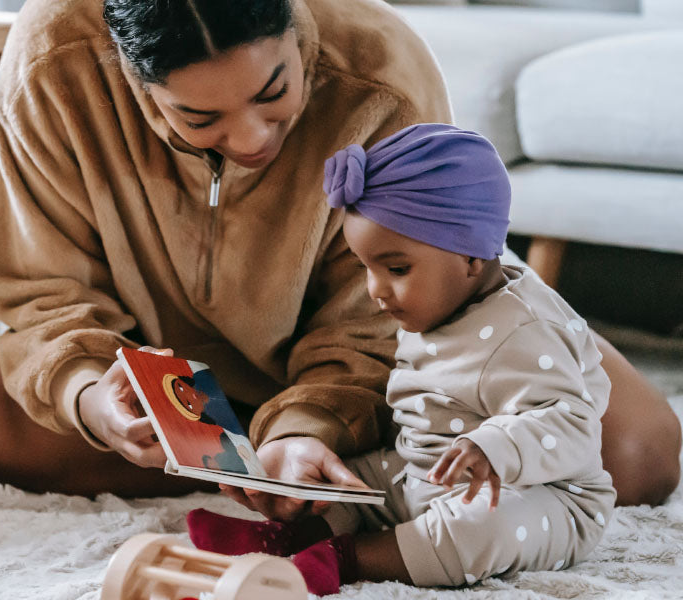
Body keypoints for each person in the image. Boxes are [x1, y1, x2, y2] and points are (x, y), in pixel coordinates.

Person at [0, 0, 680, 509]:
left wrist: (309, 426)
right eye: (199, 116)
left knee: (637, 451)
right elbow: (42, 294)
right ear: (131, 75)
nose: (253, 139)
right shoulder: (52, 62)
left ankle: (308, 461)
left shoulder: (378, 64)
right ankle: (309, 476)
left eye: (274, 90)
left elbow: (392, 315)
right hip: (171, 367)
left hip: (387, 367)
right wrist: (94, 400)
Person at [187, 124, 616, 593]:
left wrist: (496, 446)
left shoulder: (527, 329)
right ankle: (289, 537)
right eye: (365, 268)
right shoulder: (436, 304)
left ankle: (345, 560)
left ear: (471, 256)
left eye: (395, 269)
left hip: (539, 495)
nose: (375, 291)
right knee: (352, 481)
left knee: (477, 529)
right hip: (424, 471)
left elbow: (573, 423)